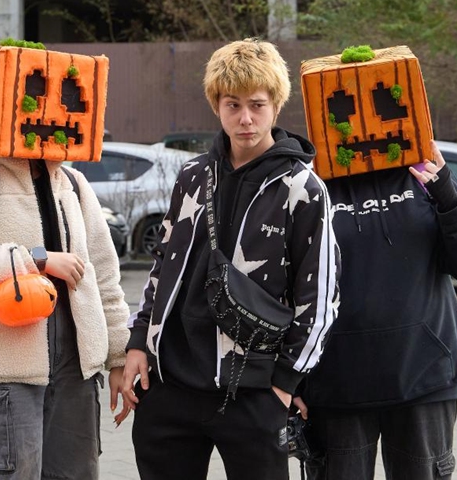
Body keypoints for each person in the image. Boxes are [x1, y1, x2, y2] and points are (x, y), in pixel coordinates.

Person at [121, 38, 341, 480]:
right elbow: (163, 265)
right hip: (170, 388)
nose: (245, 118)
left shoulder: (302, 189)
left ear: (276, 107)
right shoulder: (193, 176)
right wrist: (139, 341)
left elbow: (320, 297)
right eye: (233, 104)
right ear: (216, 106)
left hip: (253, 391)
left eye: (257, 105)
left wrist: (284, 383)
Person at [0, 44, 131, 478]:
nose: (57, 109)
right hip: (7, 372)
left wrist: (116, 358)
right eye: (36, 94)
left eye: (69, 98)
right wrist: (34, 260)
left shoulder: (72, 181)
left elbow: (105, 276)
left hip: (77, 372)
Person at [295, 141, 457, 480]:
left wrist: (445, 189)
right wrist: (293, 377)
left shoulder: (422, 171)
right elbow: (291, 284)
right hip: (336, 382)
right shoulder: (312, 181)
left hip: (424, 373)